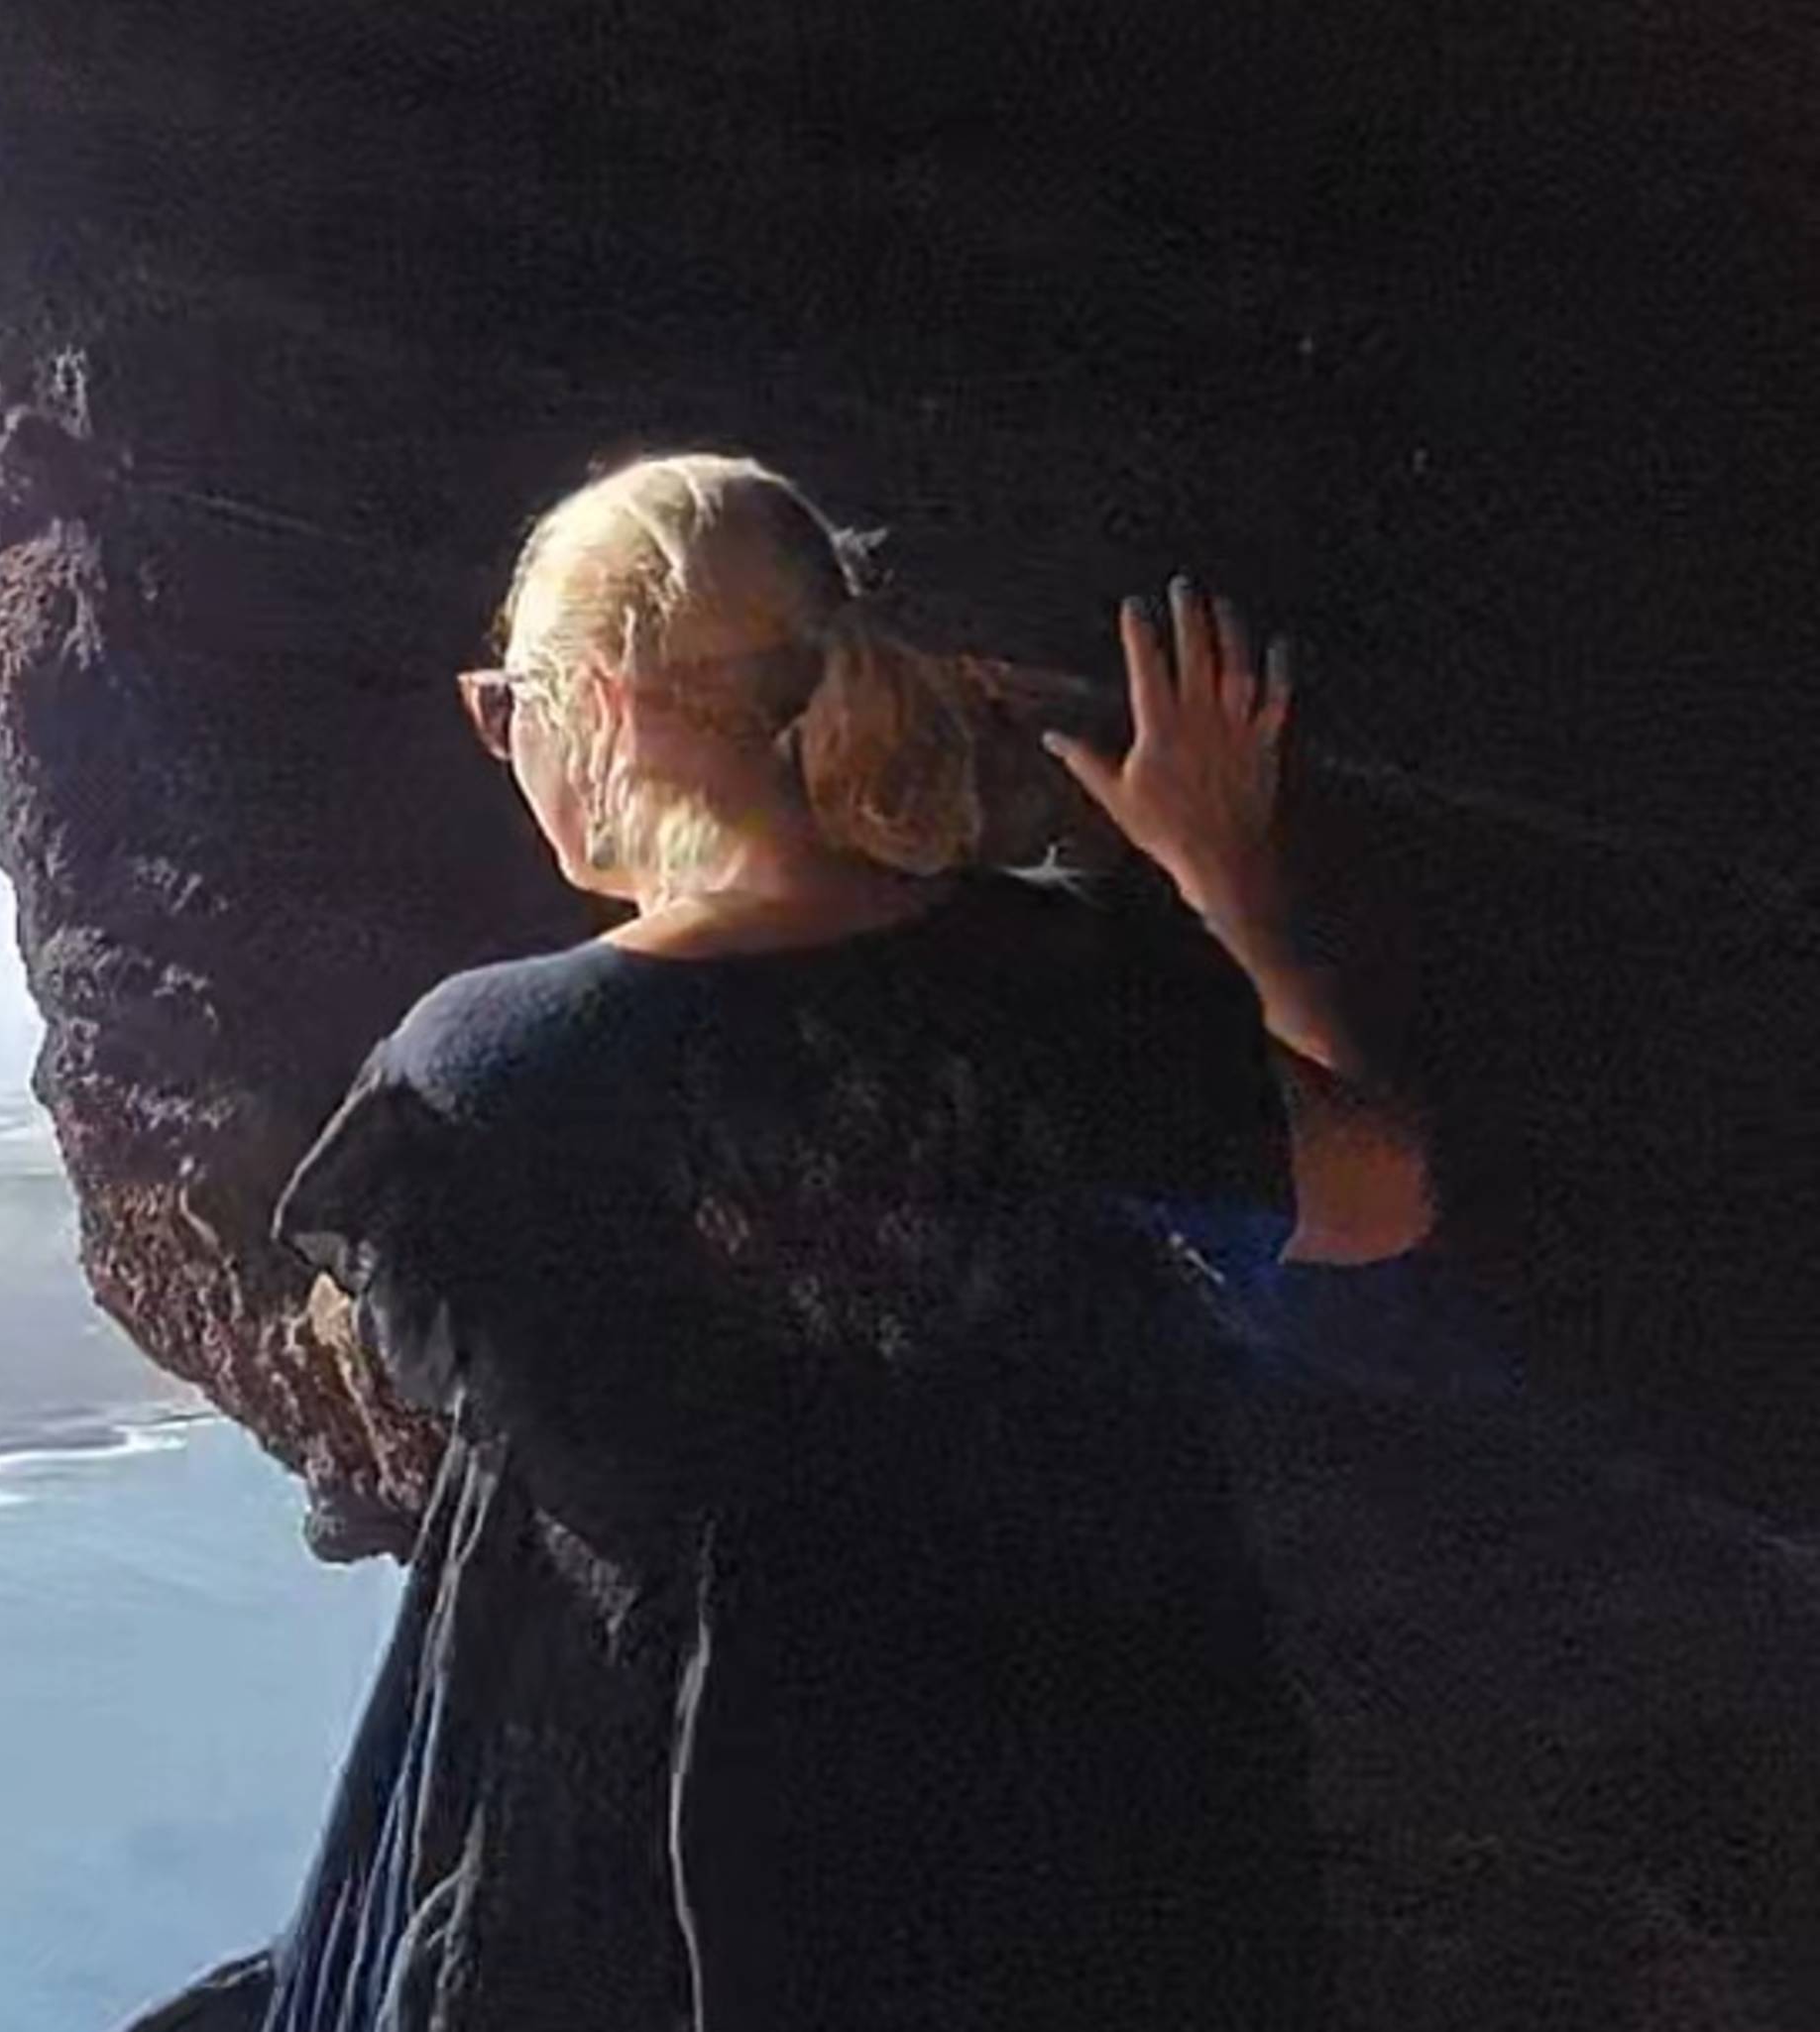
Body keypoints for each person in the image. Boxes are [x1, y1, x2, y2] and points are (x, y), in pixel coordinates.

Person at [255, 453, 1434, 2031]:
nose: (508, 744)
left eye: (507, 701)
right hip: (1117, 1840)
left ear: (599, 701)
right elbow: (1379, 1200)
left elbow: (444, 1392)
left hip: (682, 1905)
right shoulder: (1062, 978)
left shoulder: (487, 1072)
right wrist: (1223, 879)